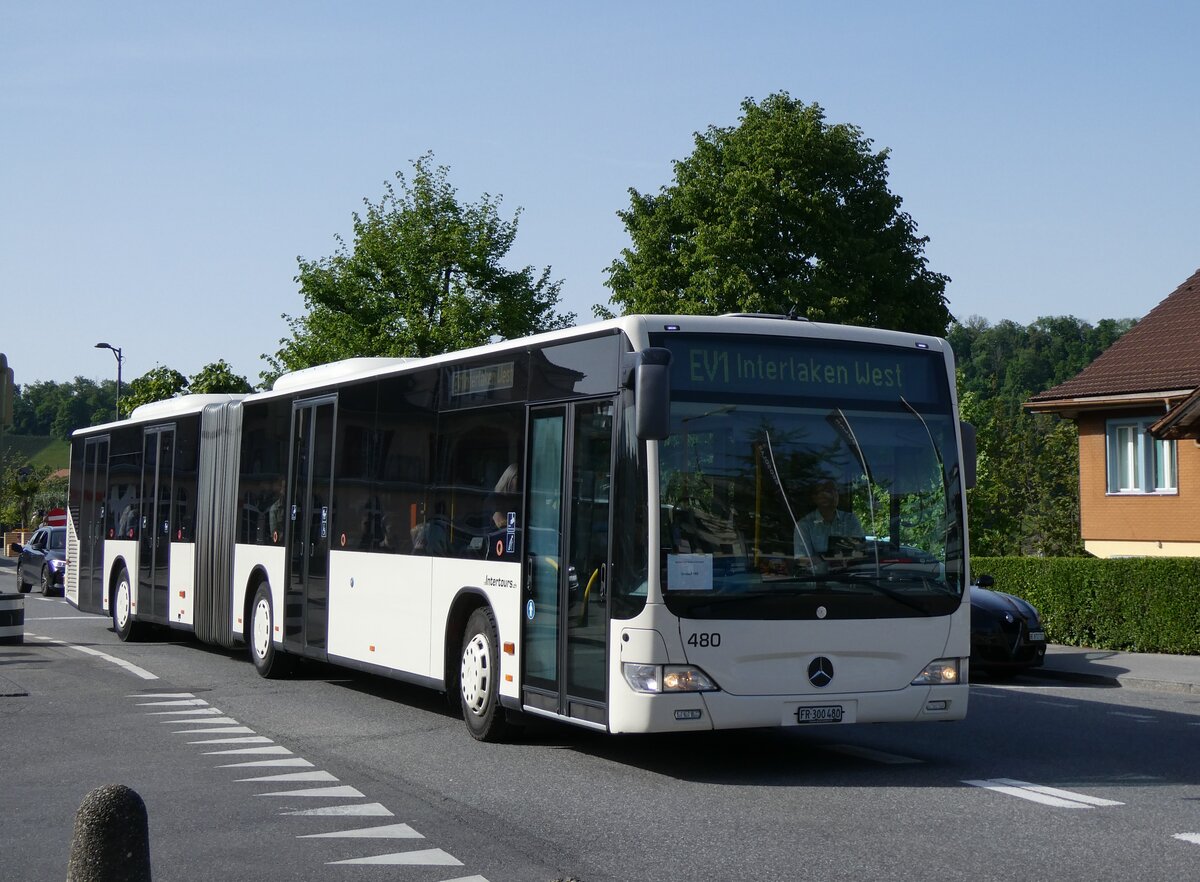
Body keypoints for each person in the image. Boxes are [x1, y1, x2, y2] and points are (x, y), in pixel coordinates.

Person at [794, 479, 865, 559]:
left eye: (834, 491)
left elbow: (861, 551)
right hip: (818, 571)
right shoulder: (804, 525)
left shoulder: (850, 520)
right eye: (826, 491)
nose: (831, 496)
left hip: (850, 570)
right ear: (815, 498)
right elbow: (802, 560)